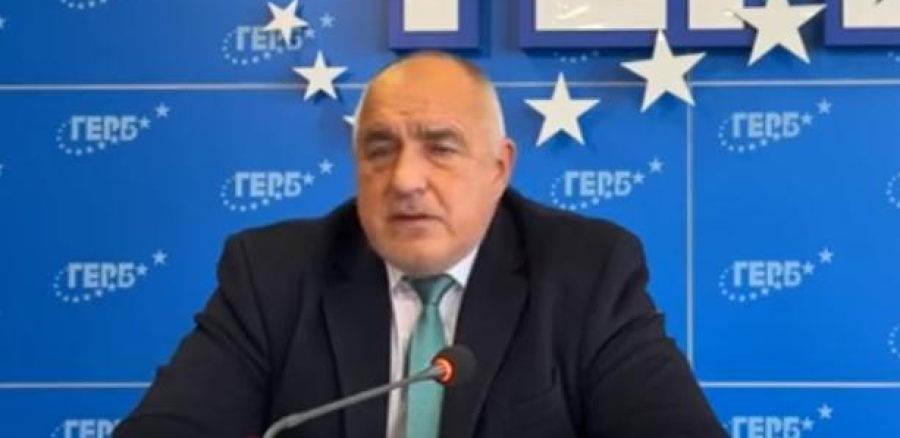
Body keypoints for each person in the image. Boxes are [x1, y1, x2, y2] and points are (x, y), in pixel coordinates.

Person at [114, 51, 726, 438]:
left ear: (499, 168)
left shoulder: (586, 272)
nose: (405, 179)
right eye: (380, 149)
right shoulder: (272, 275)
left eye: (441, 146)